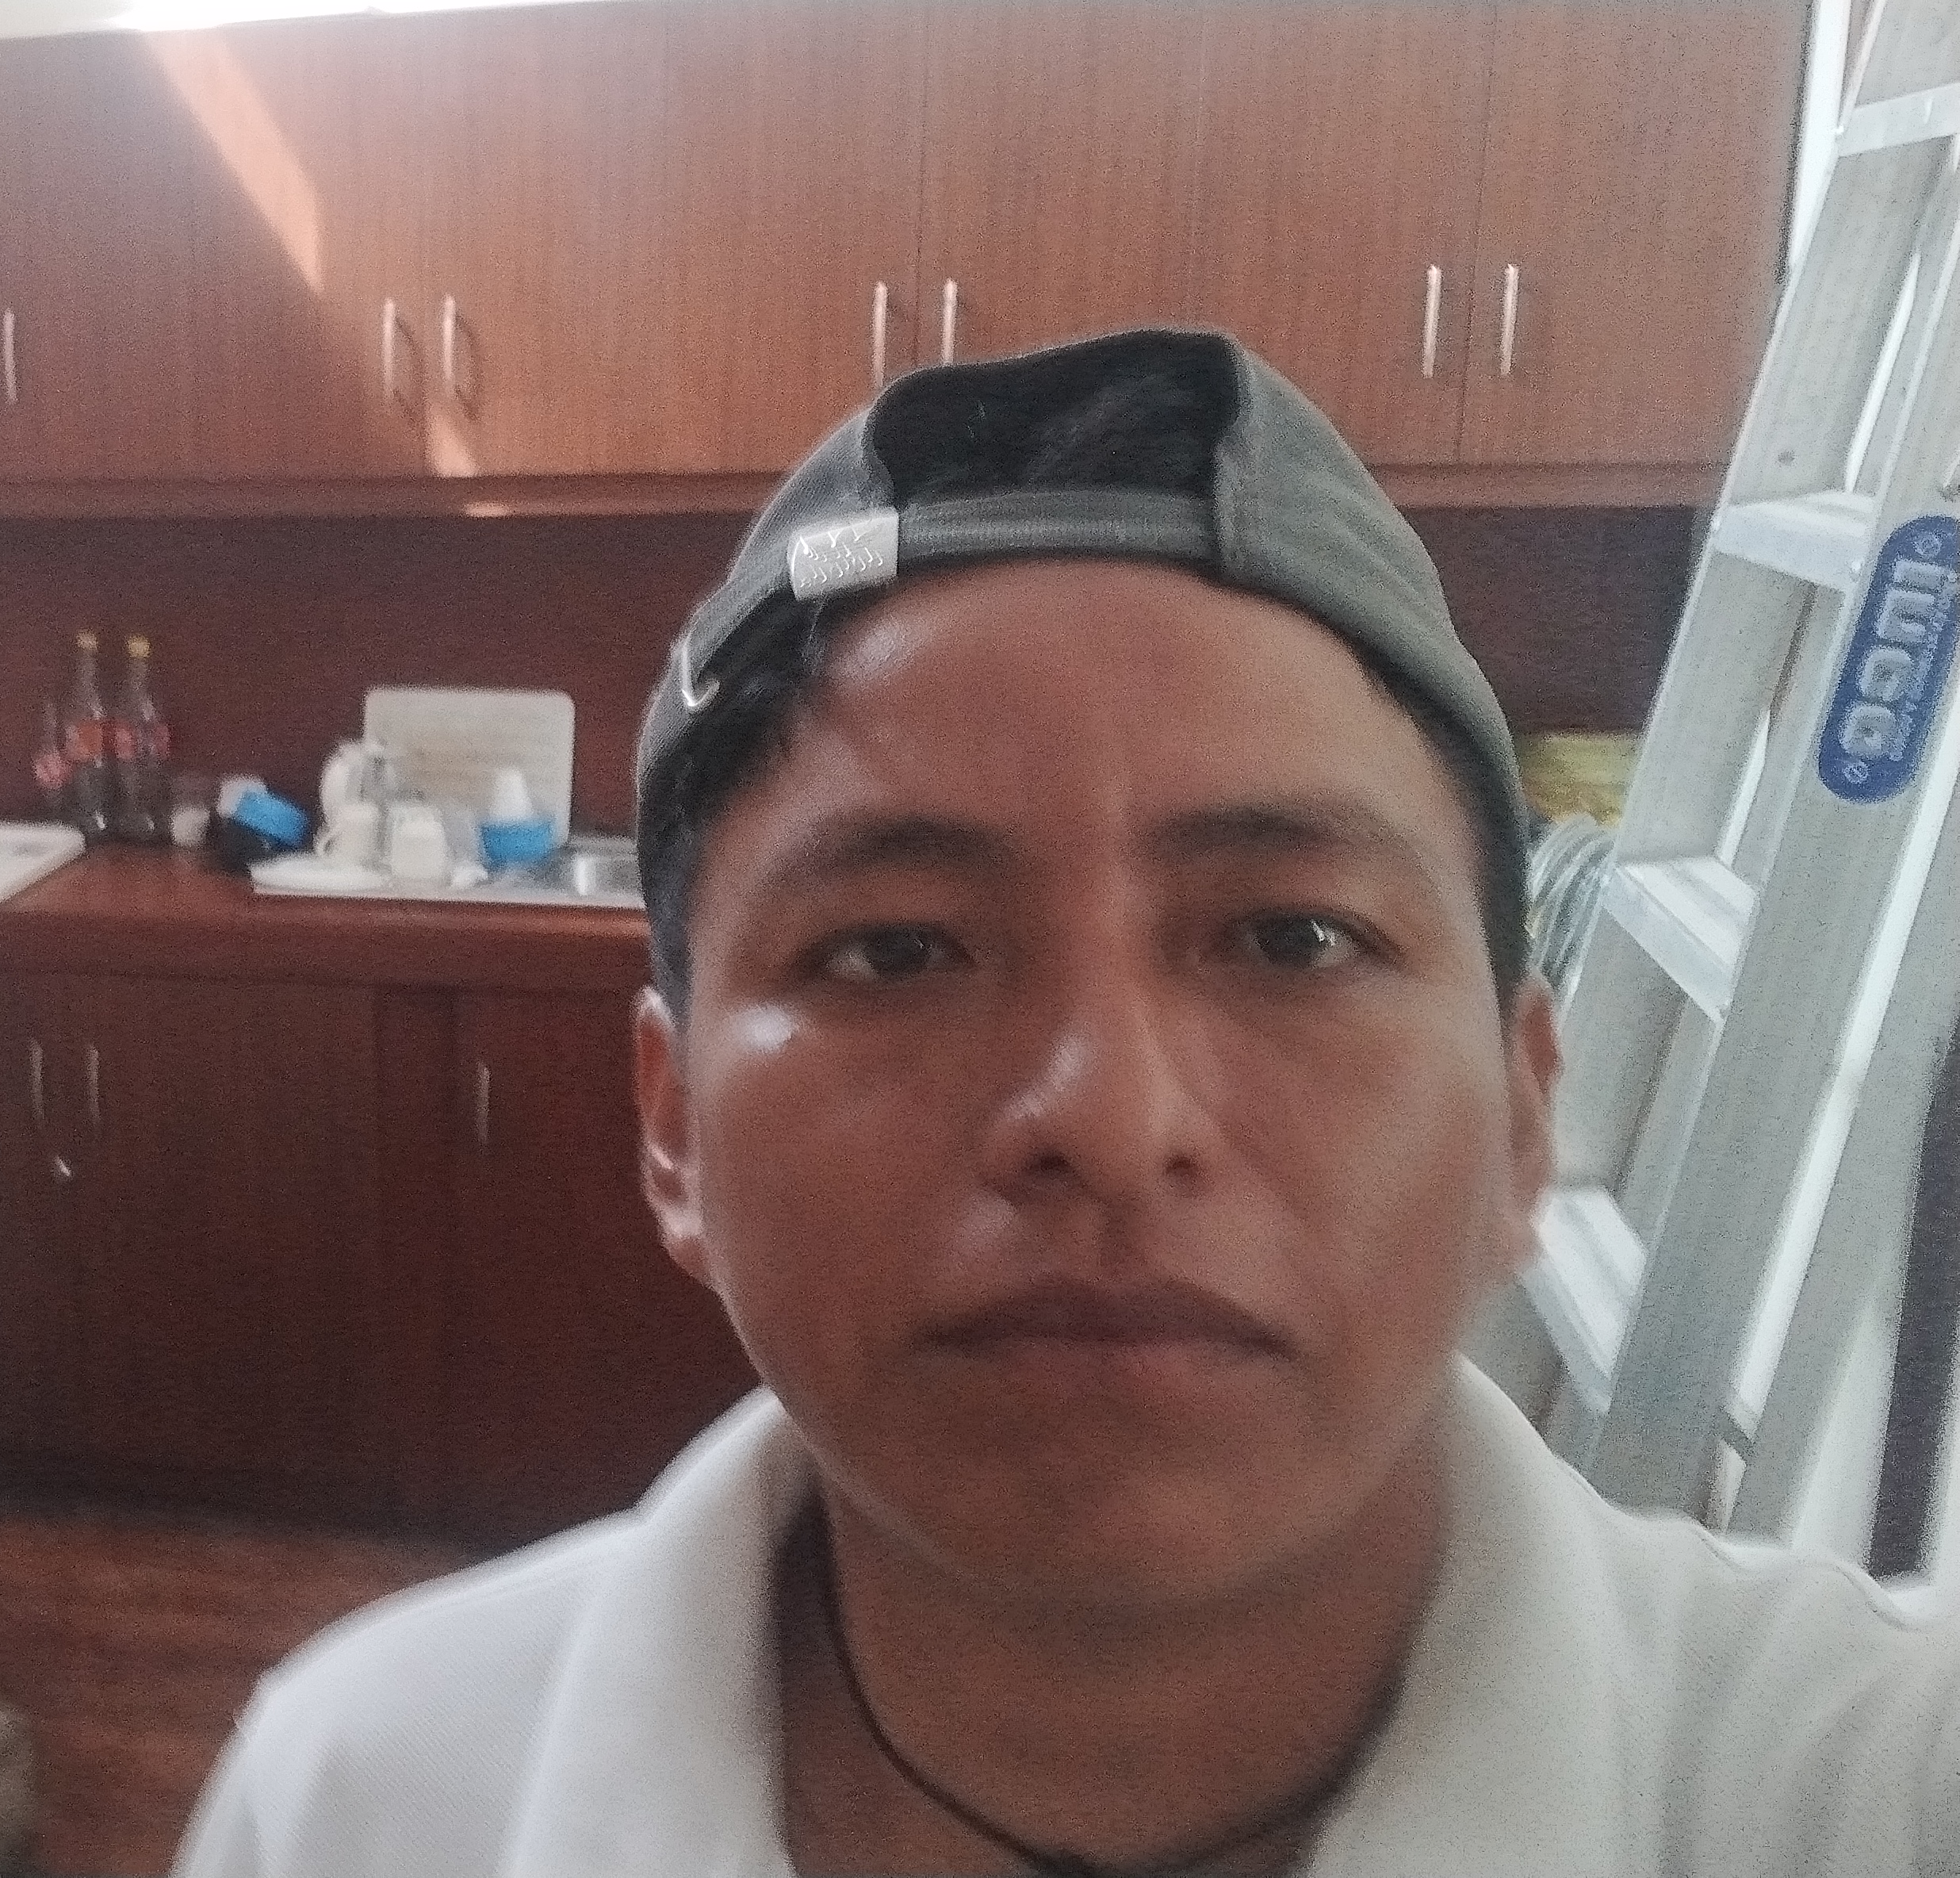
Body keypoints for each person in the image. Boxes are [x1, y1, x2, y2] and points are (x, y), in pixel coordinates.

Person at [170, 329, 1960, 1877]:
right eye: (890, 951)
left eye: (1294, 935)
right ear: (673, 1129)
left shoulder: (1876, 1791)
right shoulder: (362, 1802)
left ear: (1519, 1113)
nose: (1107, 1117)